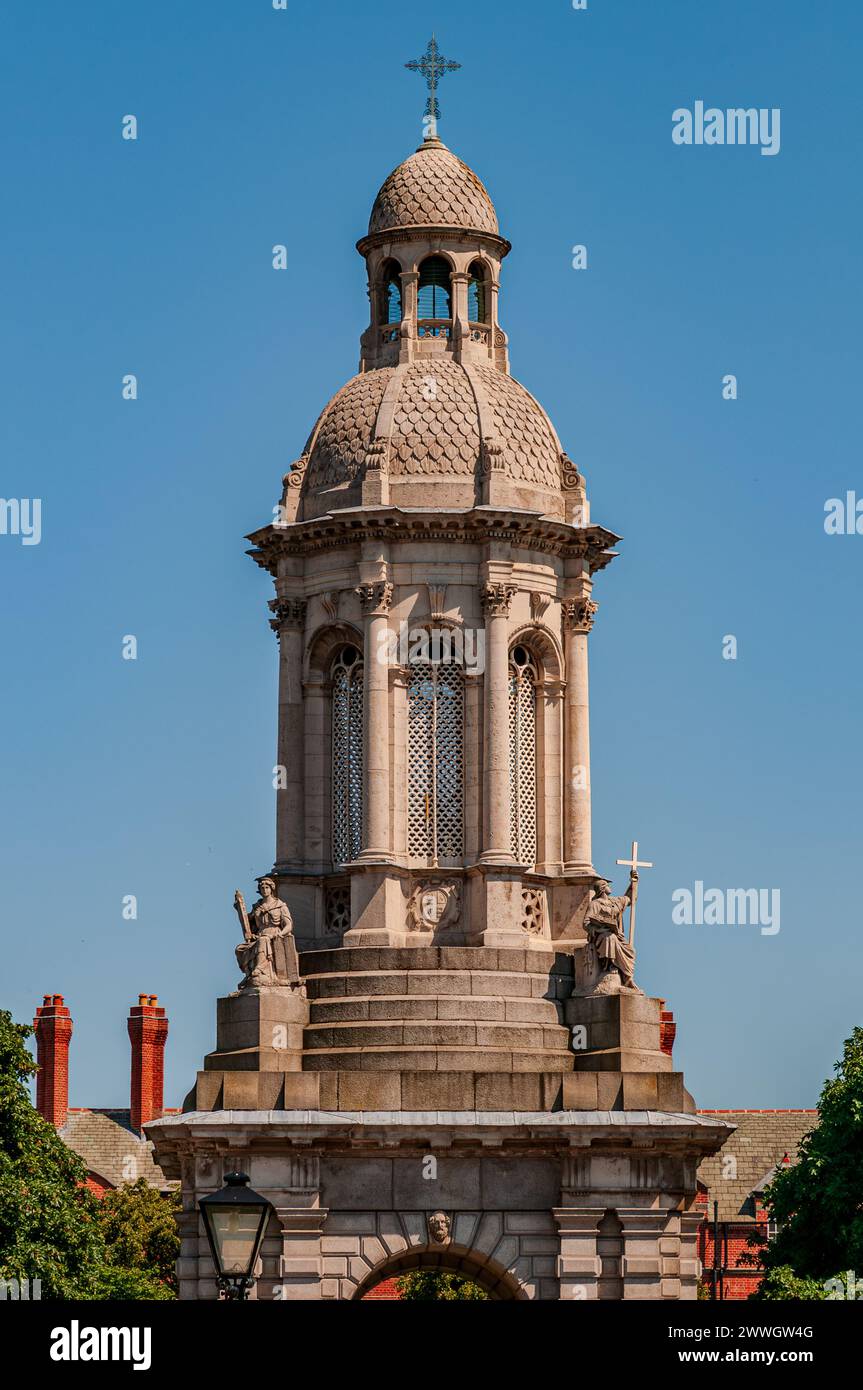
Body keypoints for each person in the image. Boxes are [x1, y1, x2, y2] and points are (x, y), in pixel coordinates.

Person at [584, 873, 642, 994]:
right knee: (610, 939)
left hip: (616, 934)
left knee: (630, 950)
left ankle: (627, 977)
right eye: (607, 885)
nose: (610, 887)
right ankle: (609, 967)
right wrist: (598, 928)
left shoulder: (615, 901)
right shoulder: (595, 904)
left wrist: (634, 882)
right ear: (603, 888)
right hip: (602, 935)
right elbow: (586, 923)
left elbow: (630, 898)